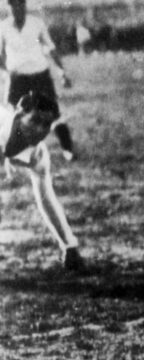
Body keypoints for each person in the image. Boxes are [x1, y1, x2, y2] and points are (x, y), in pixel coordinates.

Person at [1, 91, 84, 271]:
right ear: (18, 115)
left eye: (47, 124)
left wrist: (69, 245)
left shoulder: (37, 154)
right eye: (35, 120)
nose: (40, 130)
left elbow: (46, 199)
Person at [0, 0, 76, 161]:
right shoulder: (3, 27)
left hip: (39, 75)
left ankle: (67, 149)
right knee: (14, 116)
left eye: (20, 3)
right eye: (13, 4)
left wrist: (62, 72)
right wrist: (7, 72)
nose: (17, 7)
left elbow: (51, 48)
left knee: (52, 114)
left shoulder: (36, 23)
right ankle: (15, 153)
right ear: (9, 6)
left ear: (25, 5)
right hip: (18, 78)